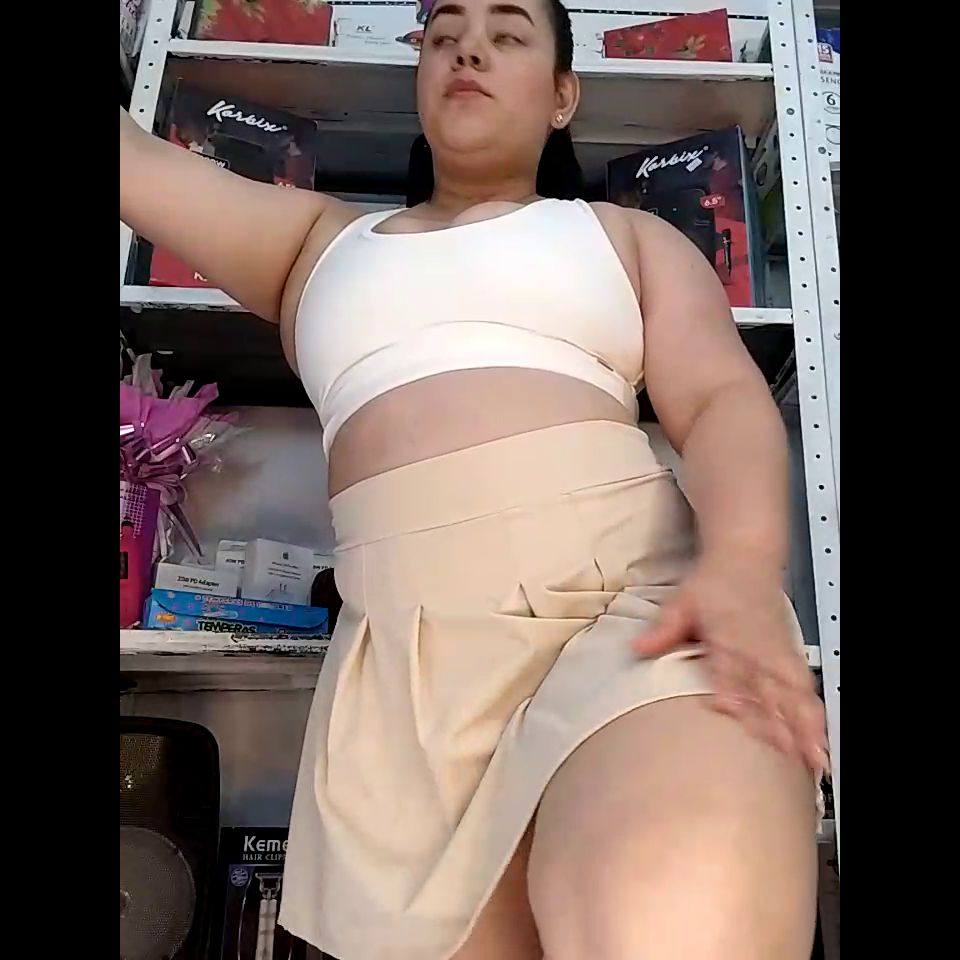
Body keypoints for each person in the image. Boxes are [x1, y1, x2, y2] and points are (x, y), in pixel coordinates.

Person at [119, 2, 828, 957]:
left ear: (563, 95)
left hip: (629, 615)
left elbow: (722, 401)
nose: (470, 49)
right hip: (405, 688)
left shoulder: (623, 237)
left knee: (665, 909)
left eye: (508, 32)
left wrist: (742, 560)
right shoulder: (317, 245)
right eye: (446, 32)